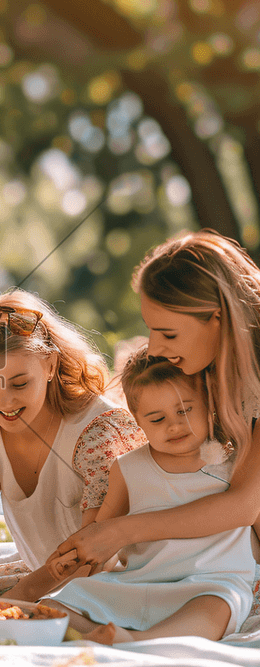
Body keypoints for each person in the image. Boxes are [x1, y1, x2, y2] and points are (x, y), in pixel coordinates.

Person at [46, 229, 260, 581]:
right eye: (151, 330)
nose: (155, 349)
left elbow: (244, 505)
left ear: (217, 318)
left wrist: (119, 532)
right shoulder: (210, 376)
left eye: (169, 334)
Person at [0, 290, 146, 599]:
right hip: (45, 583)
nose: (4, 402)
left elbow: (92, 558)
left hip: (116, 582)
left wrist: (20, 597)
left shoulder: (99, 431)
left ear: (50, 365)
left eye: (19, 383)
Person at [43, 348, 255, 643]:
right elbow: (100, 537)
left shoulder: (235, 463)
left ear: (210, 405)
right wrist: (75, 564)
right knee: (50, 607)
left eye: (184, 410)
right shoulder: (128, 468)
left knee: (217, 607)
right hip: (137, 582)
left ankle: (136, 641)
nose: (174, 425)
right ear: (138, 421)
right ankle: (101, 634)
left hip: (209, 582)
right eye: (157, 419)